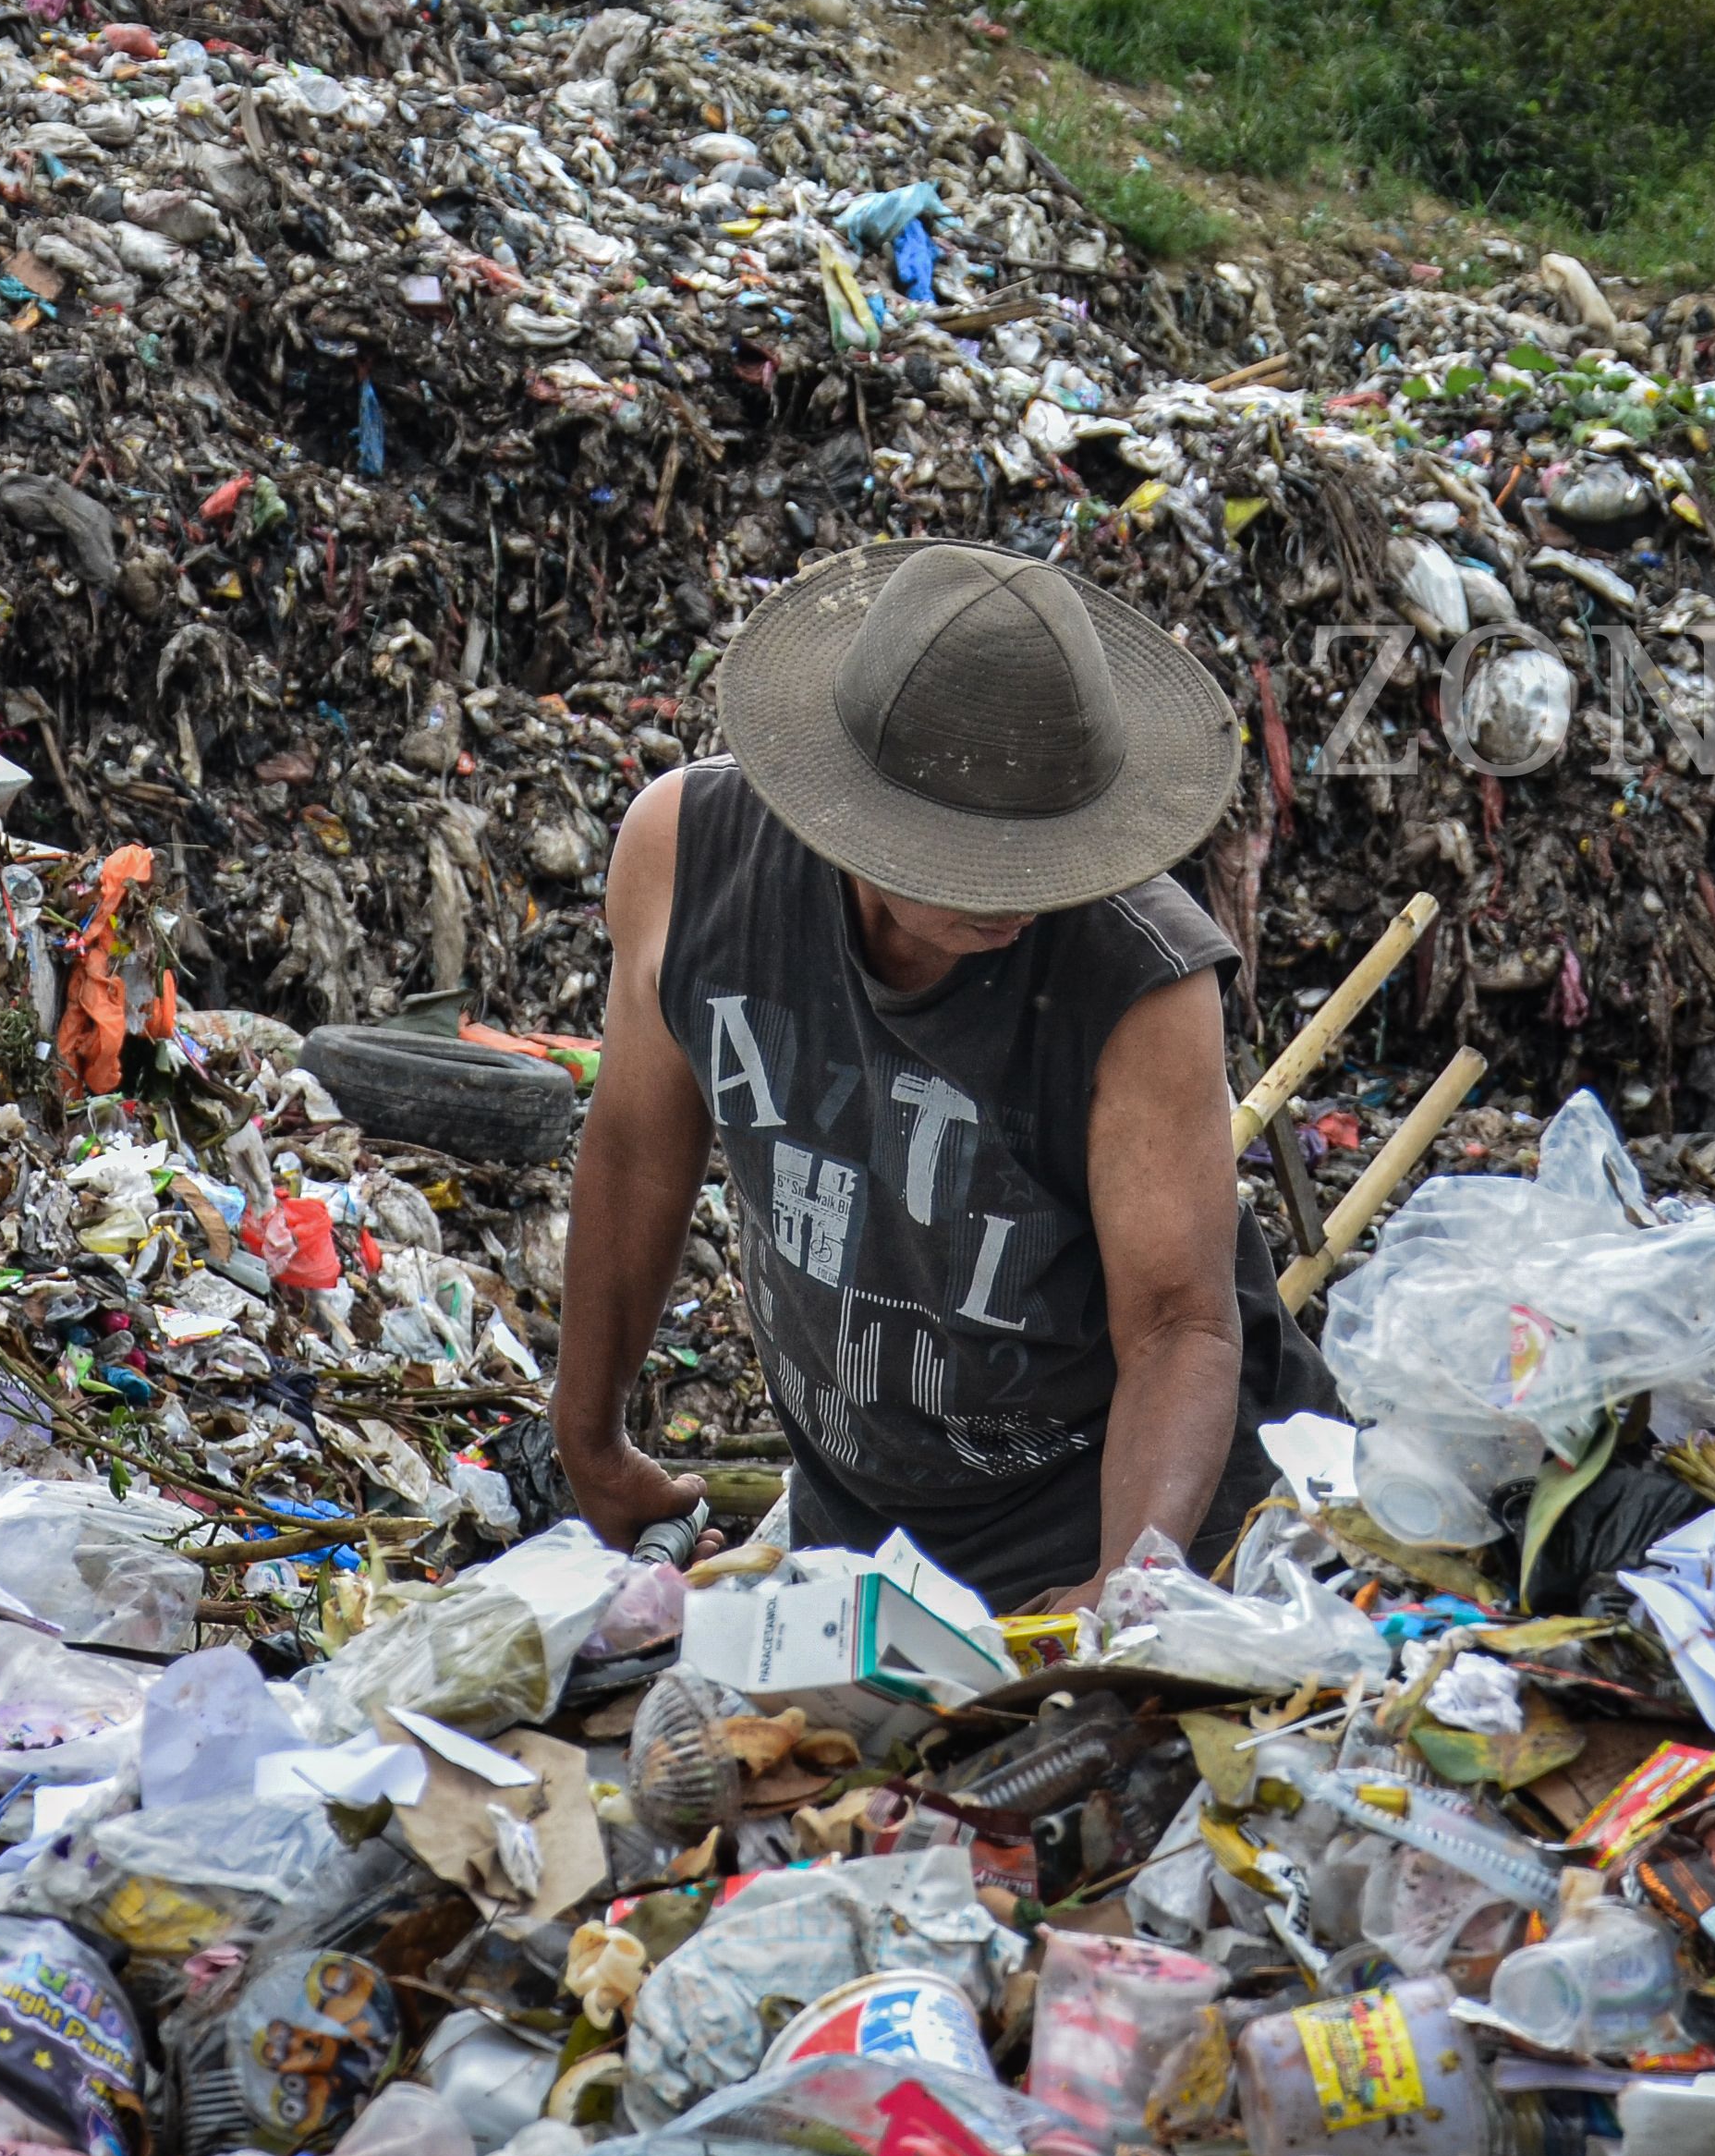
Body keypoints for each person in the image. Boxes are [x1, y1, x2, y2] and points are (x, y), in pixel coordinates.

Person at [545, 540, 1332, 1614]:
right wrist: (589, 1437)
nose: (1018, 898)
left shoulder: (1138, 977)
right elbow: (636, 1151)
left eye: (1044, 858)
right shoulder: (689, 860)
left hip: (1137, 1524)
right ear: (853, 817)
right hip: (870, 1529)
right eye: (973, 864)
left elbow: (1176, 1325)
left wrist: (1125, 1582)